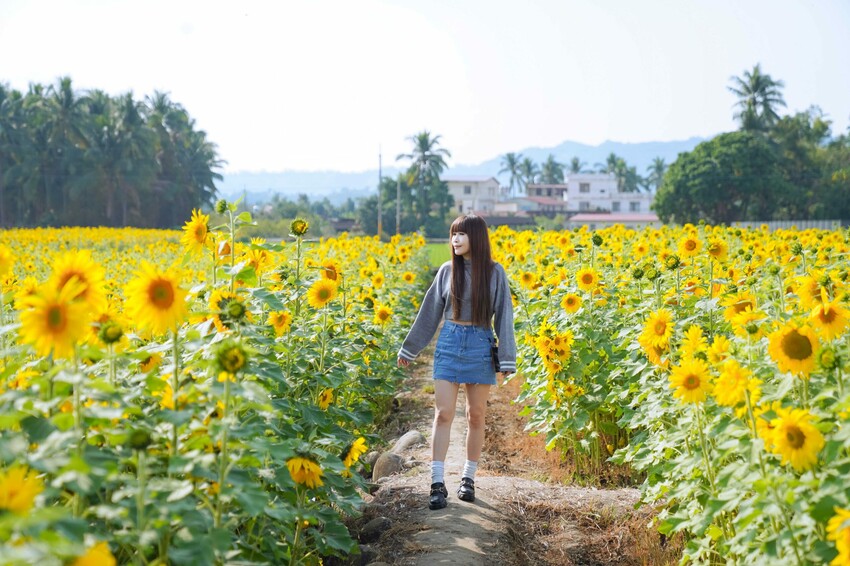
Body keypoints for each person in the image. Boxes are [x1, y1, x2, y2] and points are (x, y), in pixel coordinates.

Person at [397, 214, 516, 510]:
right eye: (453, 234)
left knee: (476, 415)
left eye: (462, 234)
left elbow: (504, 316)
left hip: (480, 344)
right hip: (449, 342)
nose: (455, 239)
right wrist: (409, 349)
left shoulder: (495, 272)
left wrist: (506, 359)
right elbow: (429, 313)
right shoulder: (447, 270)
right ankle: (437, 483)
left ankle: (468, 478)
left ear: (477, 237)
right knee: (443, 414)